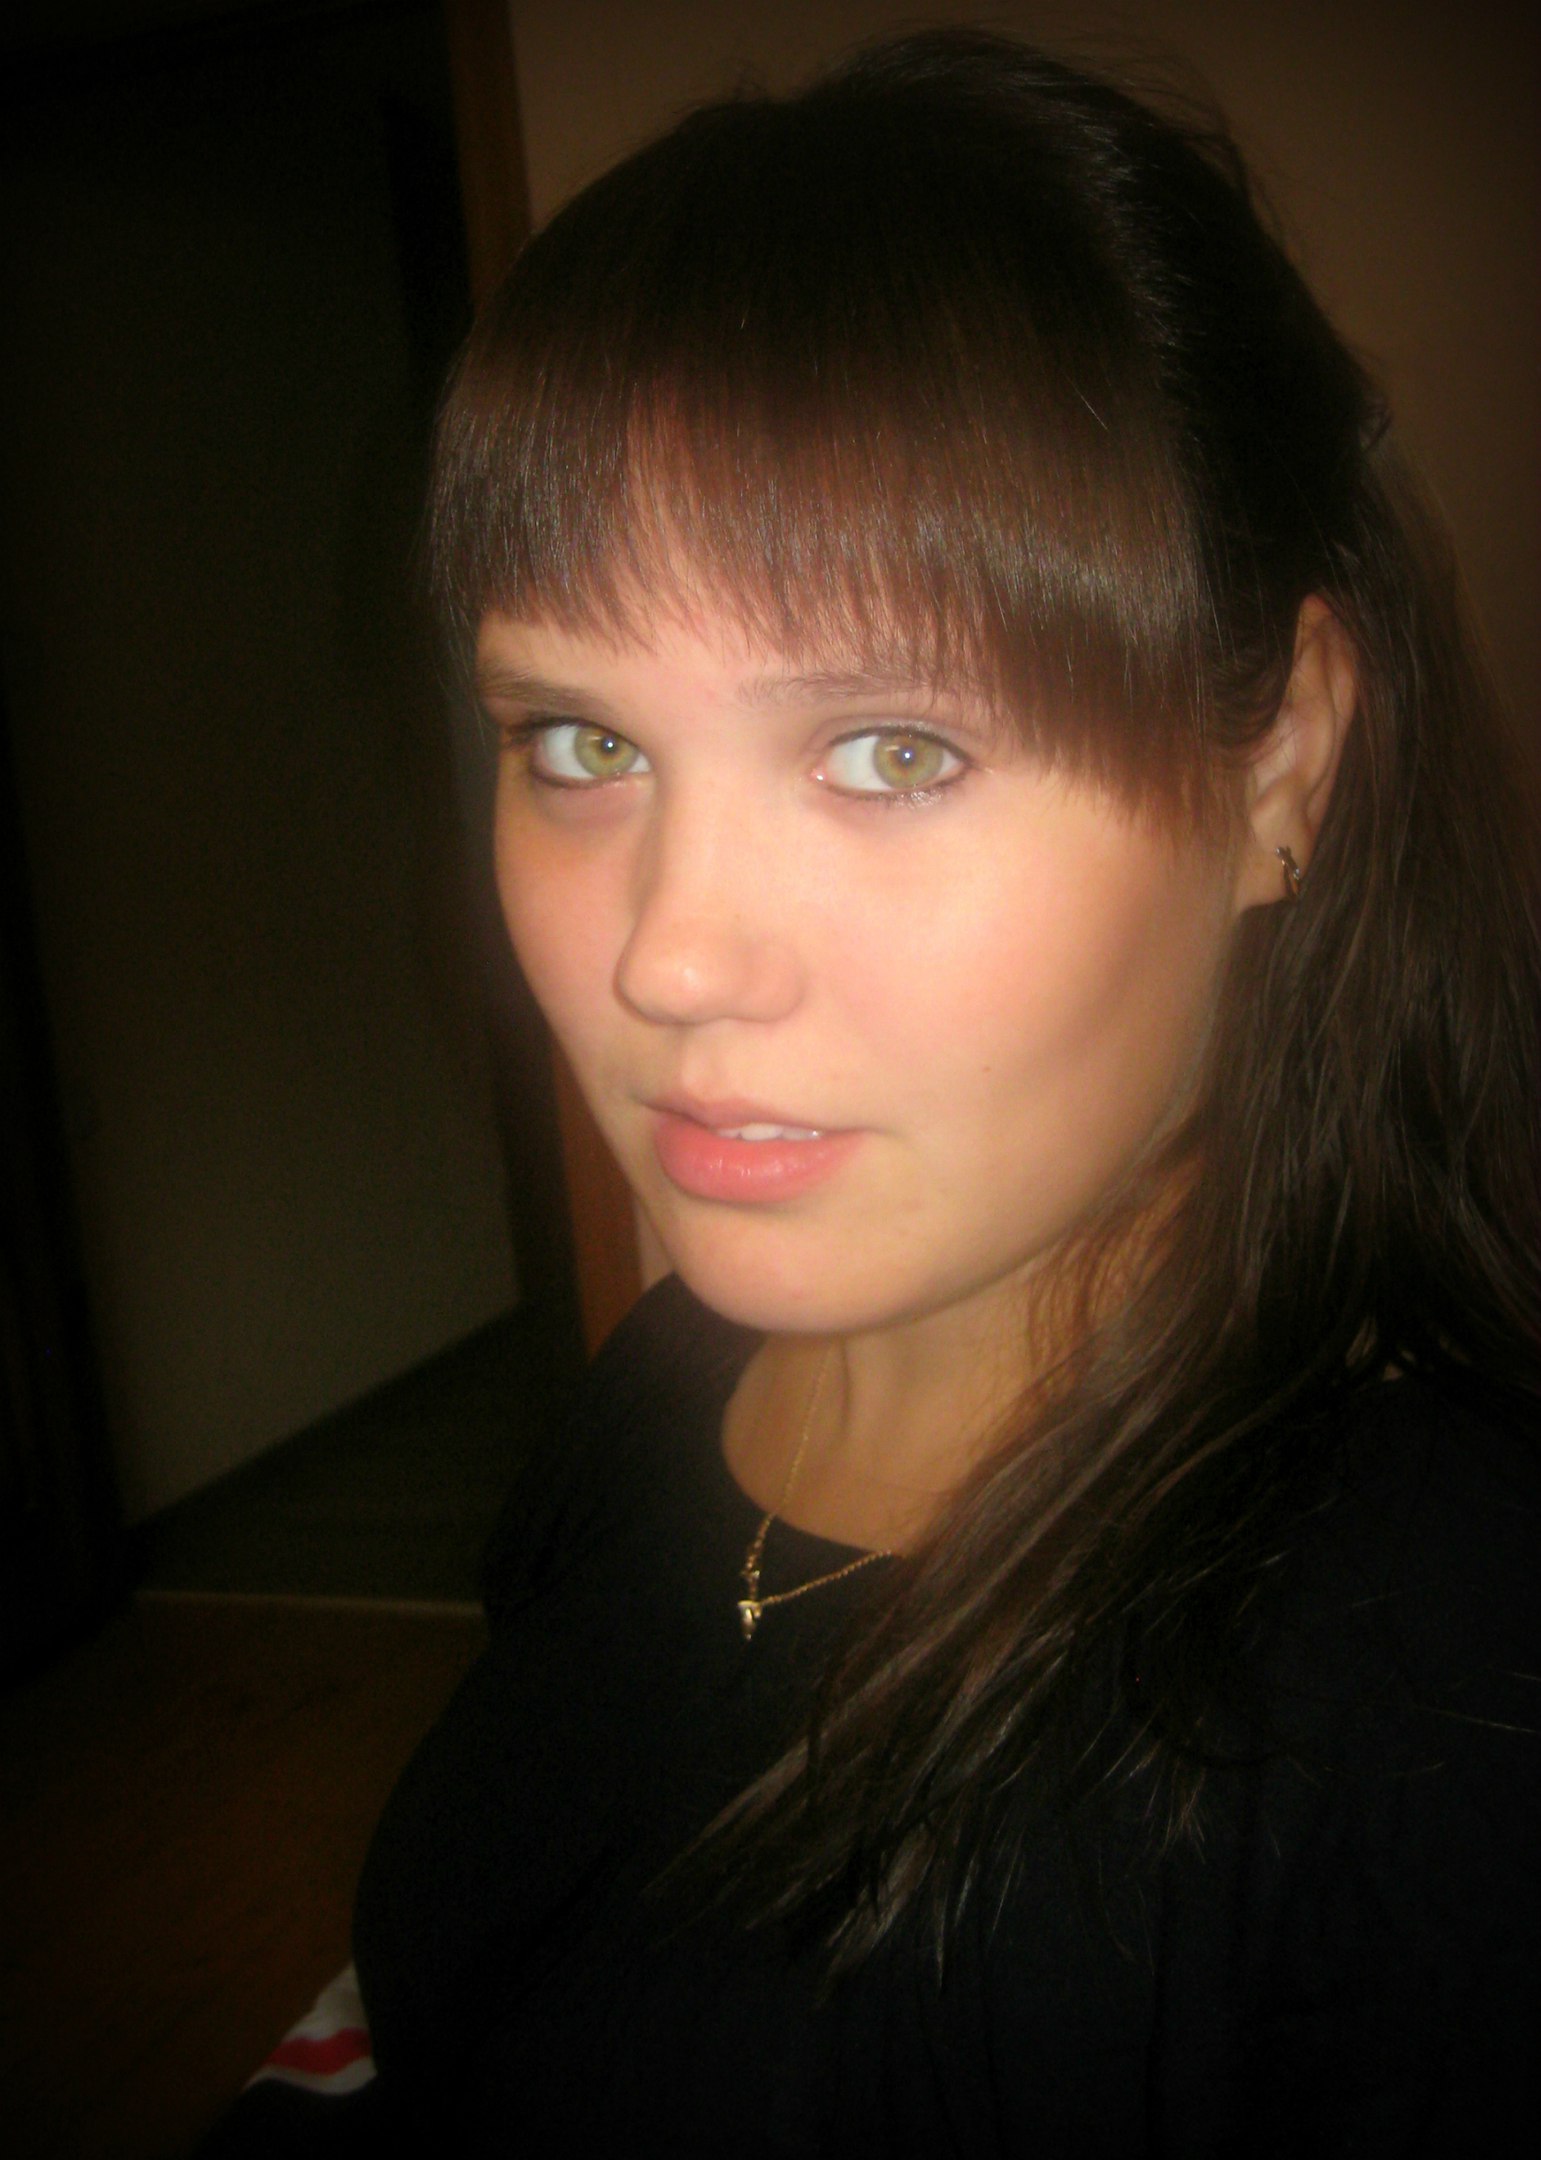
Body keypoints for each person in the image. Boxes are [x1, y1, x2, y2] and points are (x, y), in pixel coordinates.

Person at [211, 26, 1541, 2156]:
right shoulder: (666, 1388)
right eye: (579, 743)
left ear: (1280, 759)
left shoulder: (1445, 1713)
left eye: (893, 751)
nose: (666, 958)